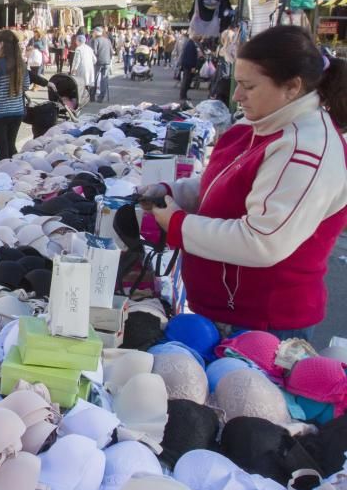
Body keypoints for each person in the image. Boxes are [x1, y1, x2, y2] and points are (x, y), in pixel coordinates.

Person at [143, 26, 347, 340]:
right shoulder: (264, 122)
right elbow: (225, 183)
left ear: (292, 87)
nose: (237, 95)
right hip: (227, 310)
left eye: (248, 86)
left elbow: (262, 241)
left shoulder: (306, 149)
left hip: (263, 322)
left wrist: (178, 224)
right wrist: (172, 192)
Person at [0, 29, 27, 161]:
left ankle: (4, 174)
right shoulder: (21, 64)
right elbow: (25, 86)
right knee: (11, 145)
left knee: (2, 149)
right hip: (17, 111)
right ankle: (16, 173)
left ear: (1, 44)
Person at [92, 26, 113, 102]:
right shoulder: (107, 40)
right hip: (107, 62)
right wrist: (109, 59)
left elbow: (94, 52)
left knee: (95, 78)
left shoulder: (96, 40)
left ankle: (92, 96)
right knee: (104, 79)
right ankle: (101, 97)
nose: (93, 33)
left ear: (96, 32)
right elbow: (111, 51)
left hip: (98, 62)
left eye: (94, 32)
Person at [178, 35, 201, 101]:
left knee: (186, 80)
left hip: (187, 65)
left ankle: (183, 95)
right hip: (189, 66)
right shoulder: (191, 44)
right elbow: (190, 56)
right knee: (186, 81)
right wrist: (193, 66)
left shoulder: (190, 43)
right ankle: (183, 95)